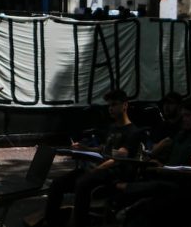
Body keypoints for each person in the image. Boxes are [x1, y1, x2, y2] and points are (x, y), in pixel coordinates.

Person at [45, 89, 141, 227]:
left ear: (125, 105)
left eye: (114, 104)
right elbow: (102, 150)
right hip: (97, 169)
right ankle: (51, 222)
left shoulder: (133, 131)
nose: (111, 108)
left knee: (82, 183)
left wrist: (97, 169)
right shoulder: (112, 128)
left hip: (113, 174)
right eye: (109, 105)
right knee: (57, 183)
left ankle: (79, 223)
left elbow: (120, 157)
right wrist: (84, 149)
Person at [147, 91, 183, 156]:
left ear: (179, 106)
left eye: (170, 103)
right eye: (165, 103)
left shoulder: (184, 125)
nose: (166, 106)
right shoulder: (161, 126)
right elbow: (152, 146)